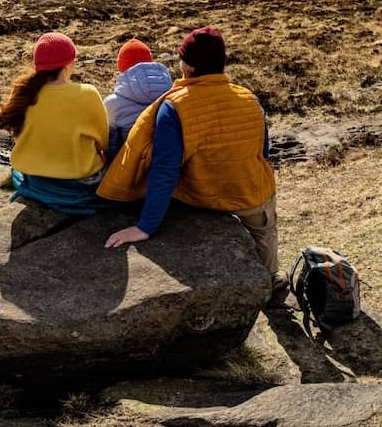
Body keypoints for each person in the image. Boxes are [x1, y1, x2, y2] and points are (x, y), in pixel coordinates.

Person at [96, 27, 281, 281]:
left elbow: (165, 170)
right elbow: (263, 151)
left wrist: (144, 227)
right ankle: (272, 281)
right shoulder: (249, 98)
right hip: (252, 192)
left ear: (187, 65)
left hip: (201, 197)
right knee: (265, 234)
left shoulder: (174, 106)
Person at [0, 31, 110, 214]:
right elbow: (104, 143)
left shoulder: (26, 94)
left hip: (38, 181)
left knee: (17, 174)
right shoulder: (88, 94)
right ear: (68, 64)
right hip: (80, 187)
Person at [103, 38, 173, 161]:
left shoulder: (112, 103)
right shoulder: (172, 93)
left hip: (130, 167)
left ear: (120, 66)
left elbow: (111, 145)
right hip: (166, 164)